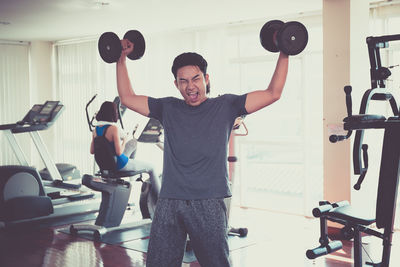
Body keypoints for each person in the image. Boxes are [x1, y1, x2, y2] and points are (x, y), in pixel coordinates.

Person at [116, 40, 288, 267]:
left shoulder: (227, 105)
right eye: (183, 81)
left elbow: (273, 93)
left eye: (195, 78)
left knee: (216, 263)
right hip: (170, 201)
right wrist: (120, 58)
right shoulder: (167, 107)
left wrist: (285, 50)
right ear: (176, 84)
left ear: (206, 79)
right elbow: (127, 97)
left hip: (209, 201)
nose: (190, 86)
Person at [90, 101, 161, 194]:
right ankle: (161, 201)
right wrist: (124, 140)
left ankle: (132, 173)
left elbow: (92, 151)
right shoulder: (113, 129)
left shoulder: (95, 130)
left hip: (107, 165)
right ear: (112, 113)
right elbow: (119, 152)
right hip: (120, 164)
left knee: (133, 143)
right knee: (152, 168)